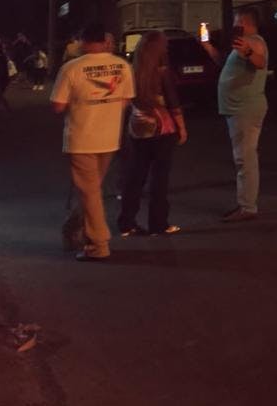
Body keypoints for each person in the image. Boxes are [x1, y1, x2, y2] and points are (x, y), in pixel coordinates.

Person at [50, 23, 134, 261]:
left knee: (89, 193)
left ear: (83, 41)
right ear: (104, 40)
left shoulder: (72, 68)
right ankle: (79, 230)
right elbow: (126, 100)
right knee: (92, 190)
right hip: (109, 137)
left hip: (82, 137)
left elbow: (57, 106)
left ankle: (98, 243)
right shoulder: (122, 66)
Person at [115, 31, 188, 236]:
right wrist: (181, 128)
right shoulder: (162, 72)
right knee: (159, 177)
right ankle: (158, 223)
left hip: (137, 127)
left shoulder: (130, 71)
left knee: (136, 174)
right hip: (162, 128)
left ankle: (126, 223)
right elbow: (173, 103)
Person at [203, 7, 269, 222]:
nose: (234, 25)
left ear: (245, 22)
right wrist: (207, 47)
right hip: (238, 108)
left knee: (245, 158)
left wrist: (249, 53)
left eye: (237, 21)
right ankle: (247, 205)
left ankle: (247, 207)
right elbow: (224, 64)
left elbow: (260, 62)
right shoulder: (242, 44)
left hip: (245, 109)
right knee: (244, 156)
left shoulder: (254, 41)